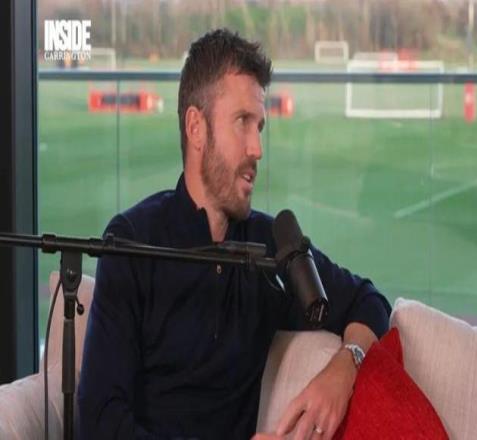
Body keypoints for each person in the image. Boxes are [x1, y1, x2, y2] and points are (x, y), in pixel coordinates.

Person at [77, 29, 391, 440]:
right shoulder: (132, 240)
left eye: (260, 126)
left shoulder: (272, 245)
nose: (257, 148)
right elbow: (100, 420)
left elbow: (368, 302)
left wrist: (343, 369)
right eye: (243, 122)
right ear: (196, 127)